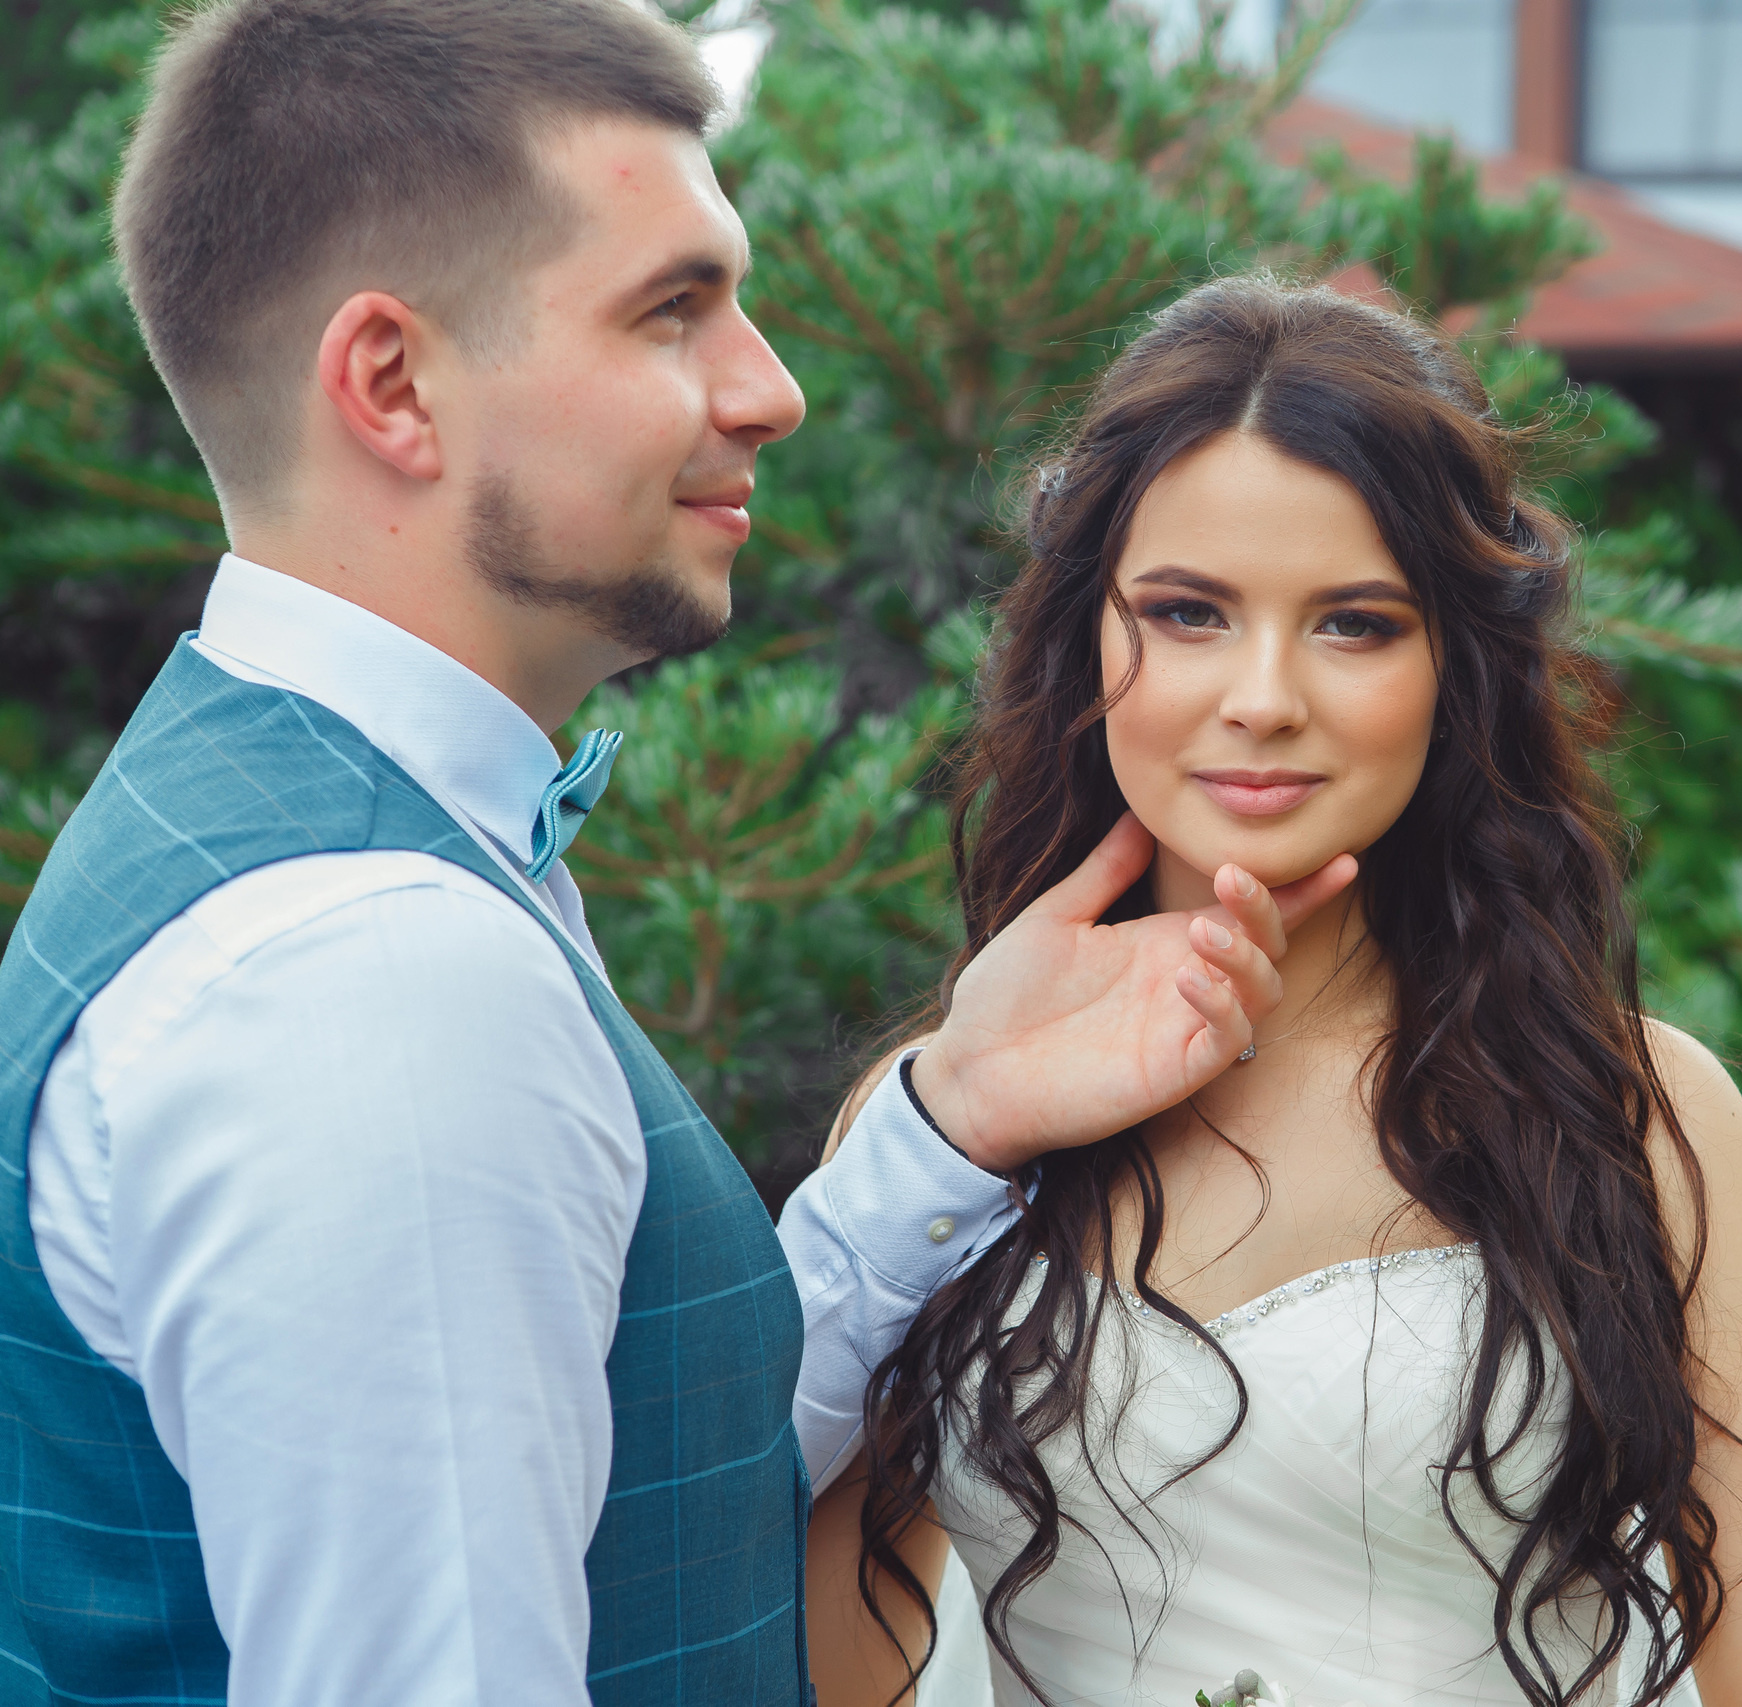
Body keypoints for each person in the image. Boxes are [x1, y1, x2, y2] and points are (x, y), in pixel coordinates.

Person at [0, 4, 1335, 1702]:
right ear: (395, 384)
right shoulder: (371, 982)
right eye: (672, 310)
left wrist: (952, 1123)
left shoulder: (291, 836)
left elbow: (612, 1487)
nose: (766, 389)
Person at [785, 278, 1742, 1707]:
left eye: (1354, 624)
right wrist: (964, 1122)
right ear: (1085, 641)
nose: (1265, 695)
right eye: (1187, 613)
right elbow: (830, 1671)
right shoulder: (934, 1126)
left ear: (1455, 668)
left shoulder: (1634, 1119)